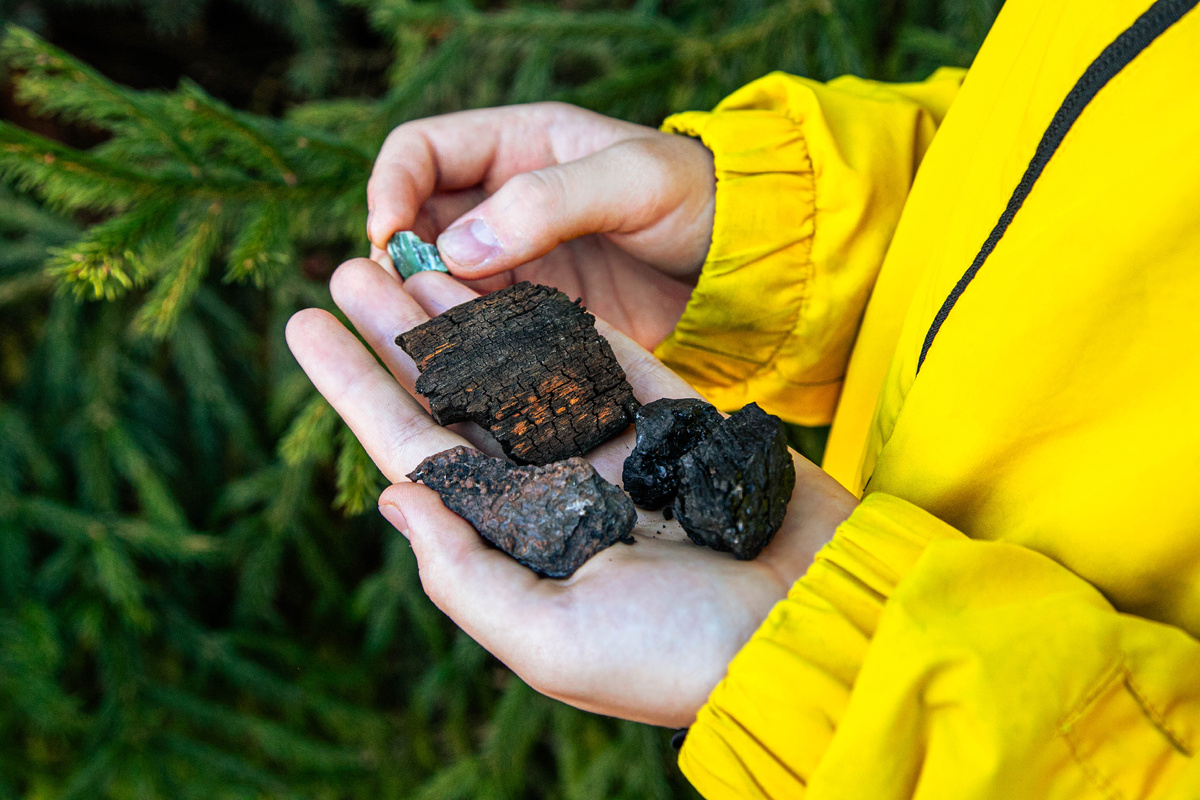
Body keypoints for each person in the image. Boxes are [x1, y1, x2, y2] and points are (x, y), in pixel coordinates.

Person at [286, 0, 1200, 796]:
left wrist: (860, 679)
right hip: (872, 573)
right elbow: (1088, 139)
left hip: (914, 656)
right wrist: (755, 245)